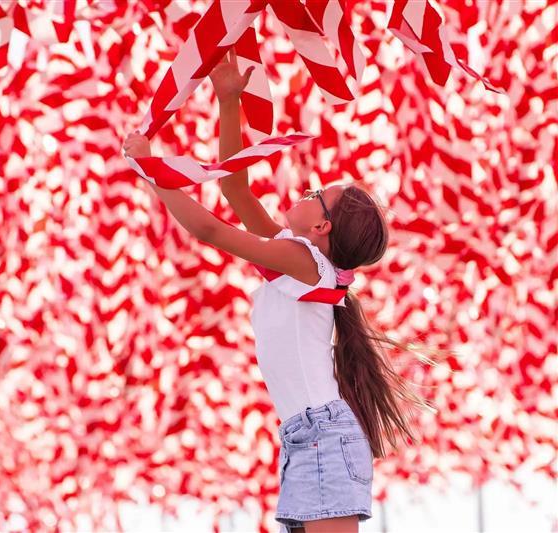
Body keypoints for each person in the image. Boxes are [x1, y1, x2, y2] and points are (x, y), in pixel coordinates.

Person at [123, 48, 439, 533]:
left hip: (320, 437)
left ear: (321, 226)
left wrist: (151, 170)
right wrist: (229, 101)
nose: (305, 191)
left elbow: (211, 231)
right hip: (307, 437)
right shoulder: (304, 263)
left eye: (315, 194)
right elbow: (235, 192)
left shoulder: (306, 263)